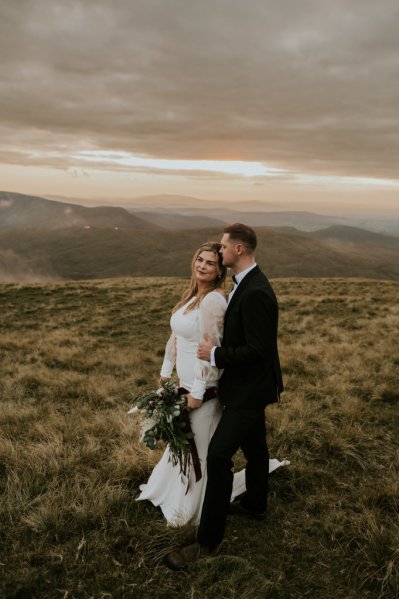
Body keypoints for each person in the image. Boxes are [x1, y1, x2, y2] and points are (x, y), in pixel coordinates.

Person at [165, 223, 284, 569]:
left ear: (239, 250)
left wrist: (214, 356)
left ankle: (207, 542)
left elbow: (259, 351)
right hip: (248, 386)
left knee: (218, 456)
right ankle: (256, 504)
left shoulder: (258, 291)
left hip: (249, 389)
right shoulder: (243, 284)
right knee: (256, 447)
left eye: (224, 246)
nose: (220, 250)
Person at [136, 241, 228, 526]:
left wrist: (199, 392)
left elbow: (212, 350)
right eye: (200, 260)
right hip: (184, 383)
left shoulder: (213, 300)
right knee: (182, 444)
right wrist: (166, 370)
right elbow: (176, 337)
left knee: (197, 449)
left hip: (201, 390)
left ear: (219, 271)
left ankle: (191, 505)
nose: (202, 265)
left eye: (210, 263)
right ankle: (170, 491)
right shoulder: (193, 296)